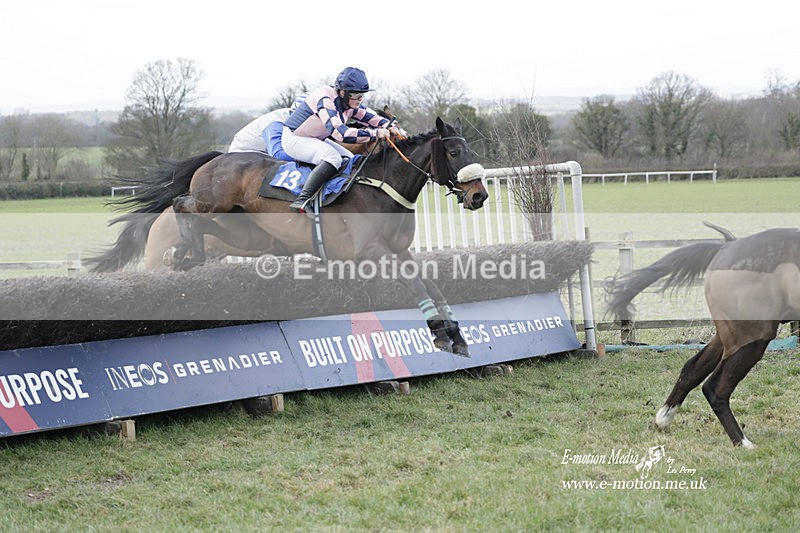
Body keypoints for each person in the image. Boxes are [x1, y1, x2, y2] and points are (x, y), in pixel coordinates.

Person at [281, 67, 401, 212]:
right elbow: (340, 134)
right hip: (294, 138)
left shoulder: (348, 102)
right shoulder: (325, 98)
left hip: (315, 139)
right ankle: (302, 200)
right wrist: (375, 133)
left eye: (362, 96)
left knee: (350, 159)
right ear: (342, 92)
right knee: (333, 158)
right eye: (356, 96)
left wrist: (390, 125)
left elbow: (370, 116)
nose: (360, 100)